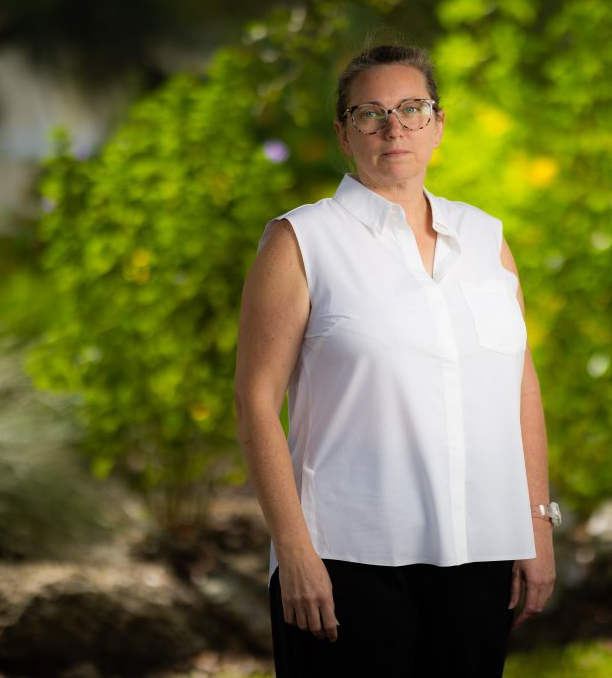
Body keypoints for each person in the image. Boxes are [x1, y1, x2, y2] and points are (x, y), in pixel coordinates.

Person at [234, 44, 557, 678]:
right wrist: (295, 552)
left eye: (412, 108)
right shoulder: (302, 240)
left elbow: (519, 389)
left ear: (438, 124)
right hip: (347, 563)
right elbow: (254, 402)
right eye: (370, 113)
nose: (394, 127)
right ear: (343, 133)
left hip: (479, 555)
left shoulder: (486, 237)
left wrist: (536, 524)